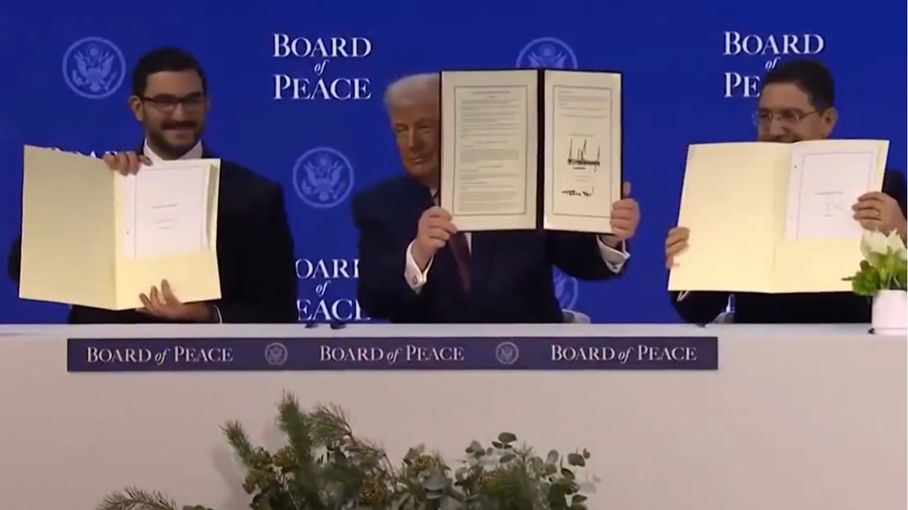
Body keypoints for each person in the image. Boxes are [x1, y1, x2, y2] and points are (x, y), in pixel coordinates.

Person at [6, 47, 299, 323]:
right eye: (165, 102)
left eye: (192, 101)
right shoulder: (102, 184)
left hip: (208, 358)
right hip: (102, 356)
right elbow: (23, 267)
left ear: (206, 105)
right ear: (138, 107)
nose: (180, 115)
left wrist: (206, 315)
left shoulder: (254, 196)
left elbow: (279, 313)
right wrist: (93, 191)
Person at [352, 73, 640, 323]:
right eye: (401, 130)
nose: (412, 143)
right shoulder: (378, 205)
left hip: (528, 360)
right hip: (430, 365)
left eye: (425, 128)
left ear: (459, 127)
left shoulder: (526, 190)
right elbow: (374, 301)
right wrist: (419, 254)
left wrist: (608, 237)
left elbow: (579, 262)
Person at [664, 59, 907, 324]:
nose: (774, 129)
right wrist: (689, 263)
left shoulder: (880, 186)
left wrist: (902, 233)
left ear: (827, 120)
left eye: (790, 116)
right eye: (765, 116)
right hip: (758, 346)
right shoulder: (733, 191)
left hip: (856, 346)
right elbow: (698, 312)